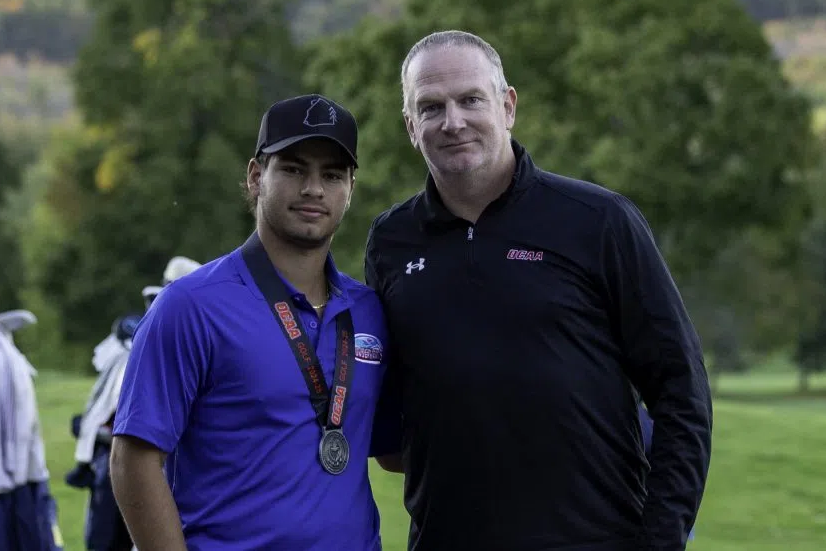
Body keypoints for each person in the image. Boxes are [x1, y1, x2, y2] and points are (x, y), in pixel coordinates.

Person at [365, 31, 713, 551]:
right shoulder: (390, 242)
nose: (453, 121)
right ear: (411, 127)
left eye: (471, 100)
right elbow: (395, 417)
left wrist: (661, 539)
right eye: (431, 107)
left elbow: (680, 389)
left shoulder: (598, 221)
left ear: (507, 106)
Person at [109, 93, 392, 551]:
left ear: (351, 189)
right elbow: (133, 460)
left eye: (332, 174)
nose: (314, 189)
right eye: (294, 168)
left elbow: (397, 451)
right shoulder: (190, 306)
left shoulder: (370, 312)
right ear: (256, 175)